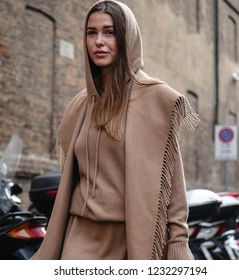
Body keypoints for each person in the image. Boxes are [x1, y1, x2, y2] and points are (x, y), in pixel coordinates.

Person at [31, 0, 200, 260]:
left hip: (131, 237)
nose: (99, 41)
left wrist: (178, 243)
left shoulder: (157, 98)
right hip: (79, 234)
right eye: (92, 32)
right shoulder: (80, 105)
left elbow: (173, 185)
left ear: (127, 38)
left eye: (109, 32)